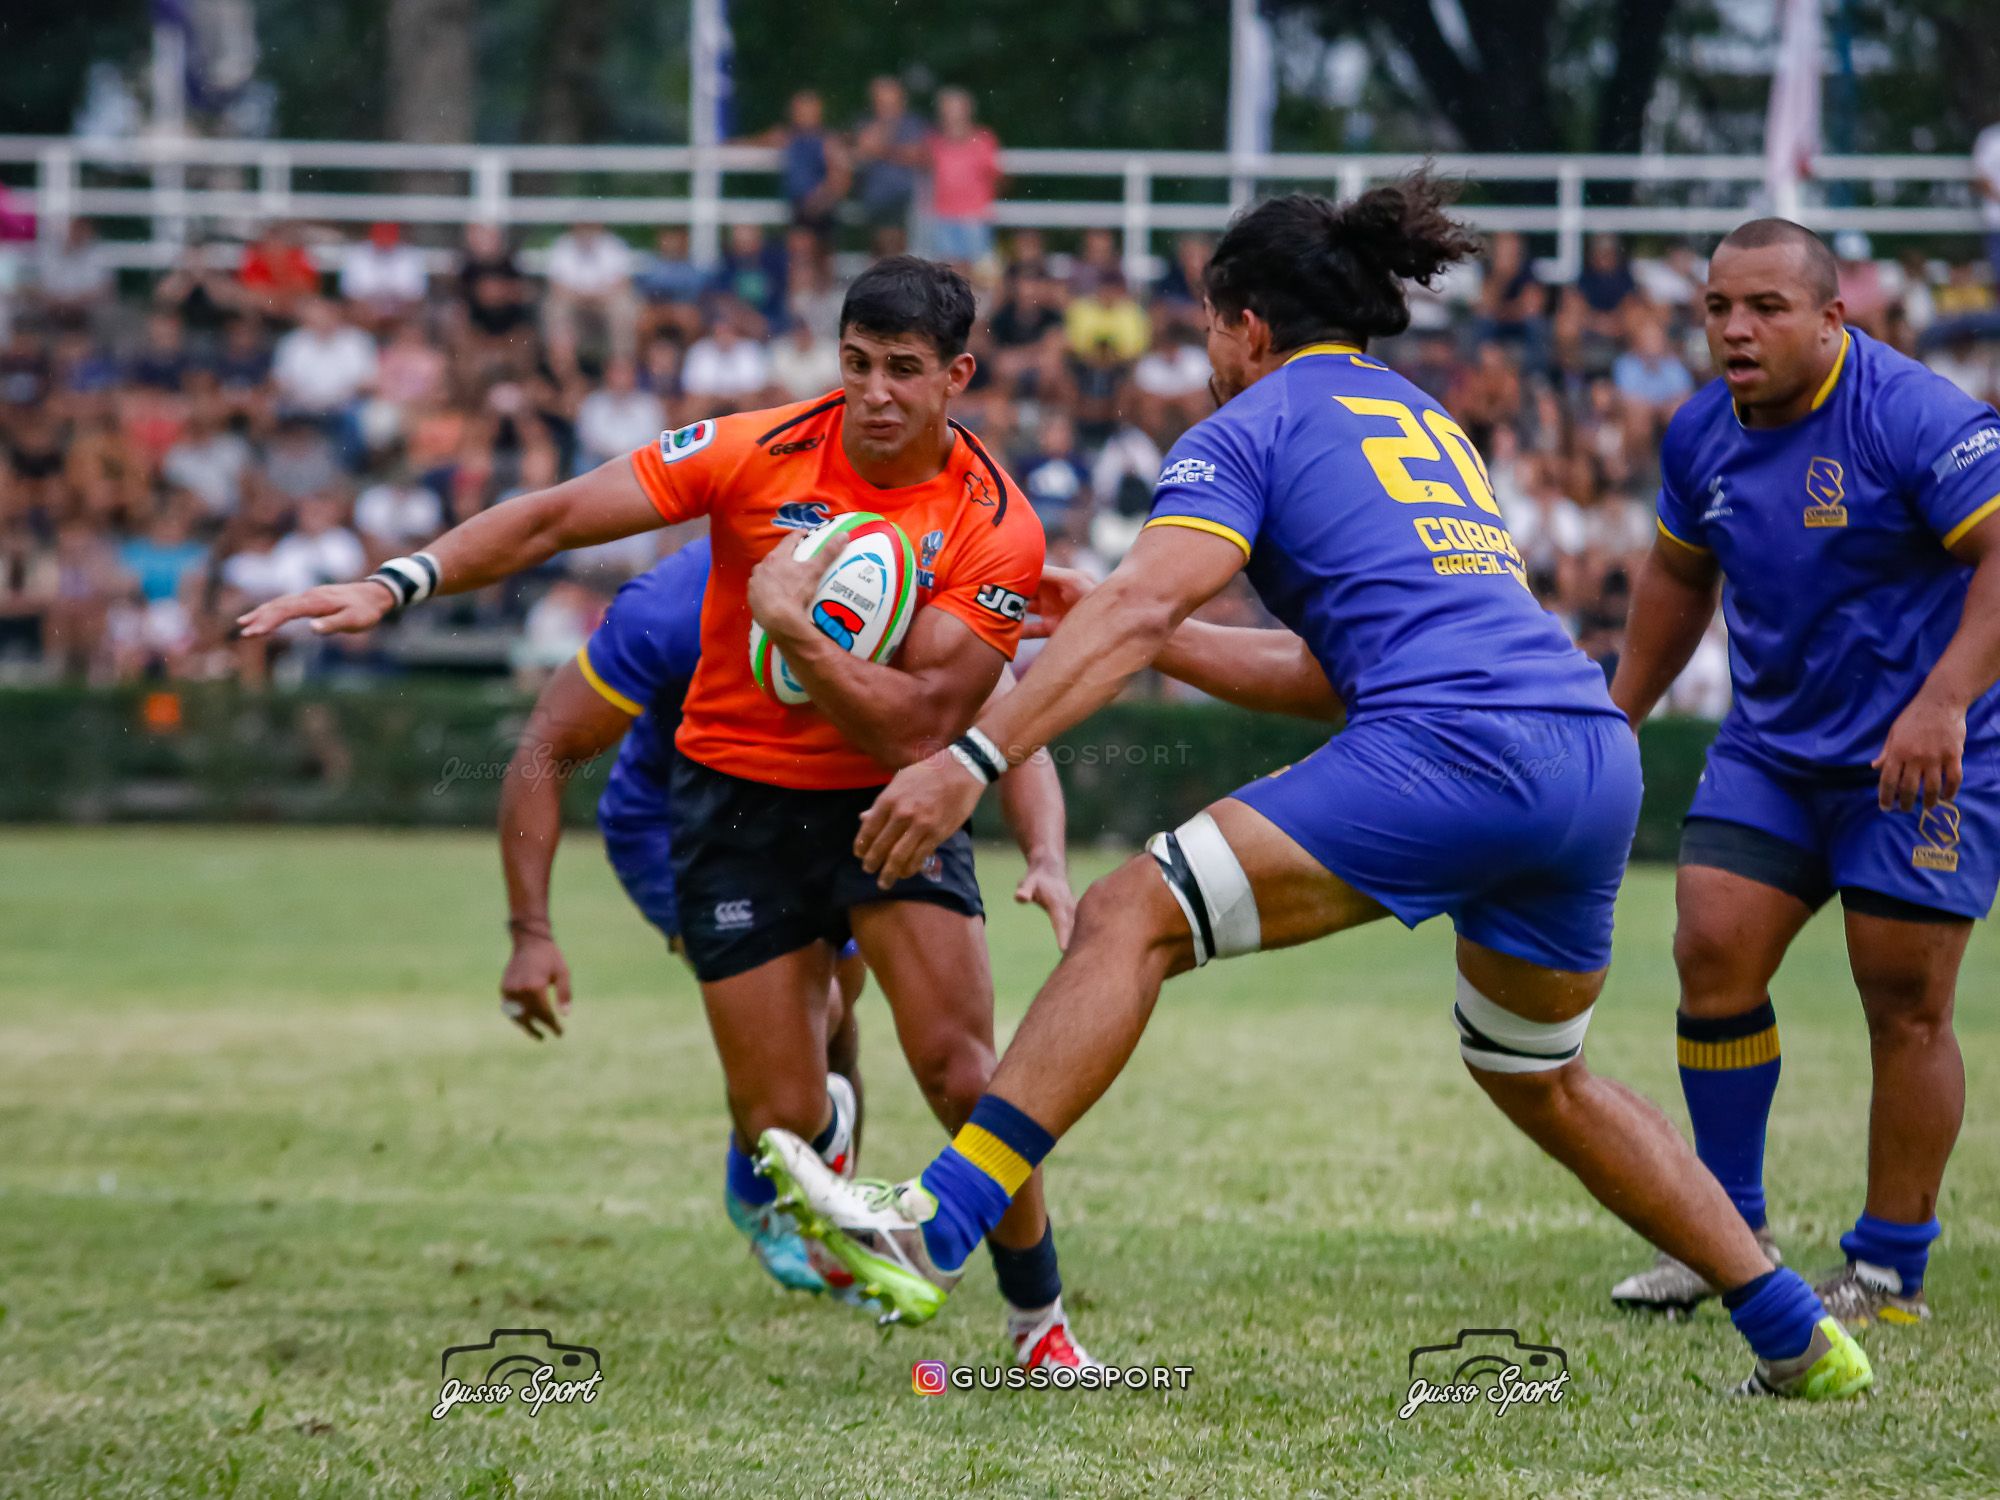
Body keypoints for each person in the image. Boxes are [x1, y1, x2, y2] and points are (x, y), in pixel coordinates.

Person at [756, 179, 1873, 1401]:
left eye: (1203, 326)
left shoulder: (1246, 426)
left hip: (1454, 748)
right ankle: (1792, 1332)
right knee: (1537, 1075)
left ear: (1244, 324)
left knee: (1130, 914)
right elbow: (1324, 665)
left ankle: (935, 1226)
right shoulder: (1421, 418)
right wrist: (1159, 634)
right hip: (1582, 752)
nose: (1202, 352)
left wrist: (967, 758)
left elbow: (1137, 607)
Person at [236, 256, 1098, 1370]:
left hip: (885, 805)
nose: (874, 392)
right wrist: (397, 583)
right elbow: (554, 517)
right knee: (776, 1128)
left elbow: (927, 723)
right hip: (732, 807)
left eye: (903, 370)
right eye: (855, 364)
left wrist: (794, 633)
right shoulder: (751, 450)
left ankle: (1037, 1322)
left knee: (962, 1076)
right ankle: (827, 1140)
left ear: (956, 376)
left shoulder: (993, 524)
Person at [497, 533, 1078, 1296]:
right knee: (813, 1040)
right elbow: (546, 748)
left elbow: (1007, 727)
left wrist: (1047, 858)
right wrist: (531, 933)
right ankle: (767, 1183)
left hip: (848, 812)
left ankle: (845, 1221)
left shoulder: (908, 571)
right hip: (686, 829)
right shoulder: (674, 606)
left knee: (848, 1019)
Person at [1603, 218, 2000, 1332]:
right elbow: (1677, 579)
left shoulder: (1909, 413)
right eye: (1718, 307)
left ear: (1833, 319)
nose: (1735, 328)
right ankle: (1722, 1237)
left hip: (1925, 754)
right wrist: (1614, 715)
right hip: (1773, 751)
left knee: (1904, 998)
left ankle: (1885, 1273)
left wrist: (1940, 701)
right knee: (1709, 946)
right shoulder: (1698, 436)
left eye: (1765, 308)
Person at [927, 88, 1002, 267]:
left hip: (975, 216)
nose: (951, 115)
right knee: (947, 272)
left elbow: (996, 176)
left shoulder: (983, 140)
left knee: (980, 272)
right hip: (943, 216)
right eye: (947, 110)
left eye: (955, 109)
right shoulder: (933, 142)